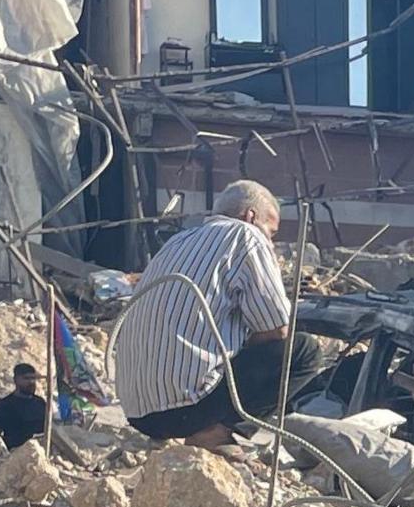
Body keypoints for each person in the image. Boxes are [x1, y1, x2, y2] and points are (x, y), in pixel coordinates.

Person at [114, 179, 332, 448]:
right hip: (186, 410)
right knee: (304, 352)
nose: (272, 243)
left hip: (138, 413)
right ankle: (217, 432)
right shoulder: (246, 236)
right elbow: (278, 329)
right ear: (250, 216)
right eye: (271, 232)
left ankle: (208, 424)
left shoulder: (178, 240)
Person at [0, 363, 48, 452]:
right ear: (16, 380)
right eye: (26, 378)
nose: (31, 382)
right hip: (16, 452)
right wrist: (9, 446)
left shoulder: (40, 402)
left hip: (41, 450)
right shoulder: (5, 405)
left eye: (33, 378)